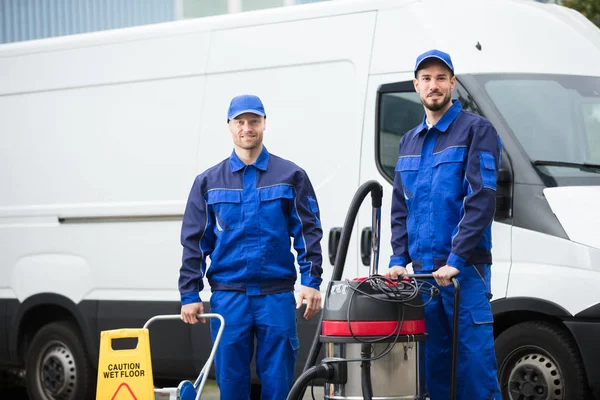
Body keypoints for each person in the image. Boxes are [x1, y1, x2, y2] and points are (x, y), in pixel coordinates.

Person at [178, 94, 323, 400]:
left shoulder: (291, 176)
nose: (247, 128)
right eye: (240, 121)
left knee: (279, 386)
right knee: (231, 385)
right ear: (229, 126)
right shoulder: (208, 182)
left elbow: (308, 232)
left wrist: (311, 282)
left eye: (254, 121)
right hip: (229, 299)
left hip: (276, 297)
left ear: (264, 124)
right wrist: (190, 293)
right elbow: (194, 242)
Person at [385, 50, 502, 399]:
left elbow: (481, 200)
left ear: (452, 83)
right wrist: (396, 259)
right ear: (416, 85)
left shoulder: (476, 130)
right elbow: (399, 207)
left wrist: (456, 259)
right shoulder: (409, 141)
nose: (433, 86)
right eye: (426, 79)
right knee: (429, 371)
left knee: (474, 369)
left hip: (464, 274)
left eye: (440, 78)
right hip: (422, 278)